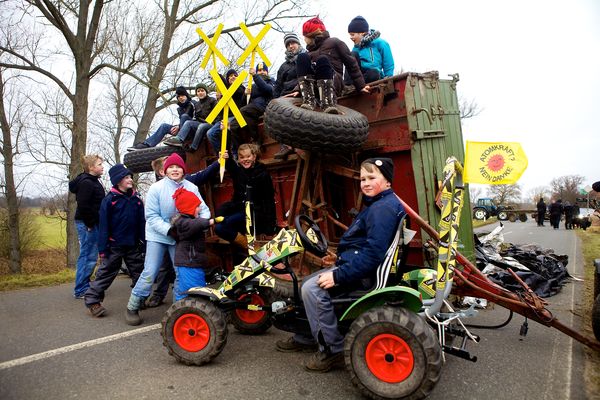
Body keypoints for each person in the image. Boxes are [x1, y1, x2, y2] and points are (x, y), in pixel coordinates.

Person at [275, 157, 405, 372]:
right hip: (361, 267)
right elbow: (363, 245)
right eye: (363, 178)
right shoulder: (379, 204)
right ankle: (307, 335)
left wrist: (337, 275)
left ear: (388, 181)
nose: (365, 183)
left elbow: (373, 254)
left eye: (372, 177)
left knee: (311, 288)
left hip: (367, 276)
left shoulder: (381, 209)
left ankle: (332, 350)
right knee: (305, 282)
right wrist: (338, 259)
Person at [125, 153, 210, 325]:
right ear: (164, 171)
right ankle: (133, 305)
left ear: (183, 169)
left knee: (179, 270)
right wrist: (169, 230)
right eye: (171, 167)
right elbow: (151, 216)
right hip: (158, 234)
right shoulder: (156, 188)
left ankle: (179, 308)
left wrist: (200, 224)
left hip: (181, 235)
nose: (175, 169)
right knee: (151, 270)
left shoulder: (191, 188)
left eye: (178, 166)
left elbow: (204, 210)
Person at [84, 164, 145, 317]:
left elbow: (141, 224)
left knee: (139, 272)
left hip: (133, 245)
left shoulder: (136, 200)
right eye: (126, 177)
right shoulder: (109, 201)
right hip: (114, 246)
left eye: (130, 177)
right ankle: (93, 301)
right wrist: (103, 249)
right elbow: (103, 227)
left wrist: (144, 243)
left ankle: (138, 299)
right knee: (106, 273)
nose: (130, 179)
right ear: (118, 181)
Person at [294, 16, 368, 114]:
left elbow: (351, 63)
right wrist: (298, 89)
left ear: (310, 35)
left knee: (322, 60)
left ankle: (328, 103)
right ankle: (308, 100)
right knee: (302, 57)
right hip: (315, 86)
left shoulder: (334, 43)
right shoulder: (309, 53)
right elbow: (304, 73)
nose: (304, 39)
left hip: (333, 82)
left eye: (304, 36)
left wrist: (361, 85)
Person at [215, 143, 277, 249]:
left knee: (221, 227)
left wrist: (270, 229)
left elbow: (269, 201)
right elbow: (227, 157)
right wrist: (225, 131)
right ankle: (248, 245)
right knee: (219, 222)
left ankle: (252, 247)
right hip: (242, 211)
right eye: (242, 157)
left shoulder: (263, 174)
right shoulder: (238, 172)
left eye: (248, 156)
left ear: (254, 156)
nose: (245, 159)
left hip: (256, 214)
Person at [69, 154, 106, 299]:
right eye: (99, 164)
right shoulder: (87, 183)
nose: (102, 166)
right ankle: (81, 289)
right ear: (91, 167)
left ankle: (84, 284)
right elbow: (83, 205)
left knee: (90, 255)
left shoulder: (91, 180)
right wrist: (90, 223)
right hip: (87, 224)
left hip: (91, 223)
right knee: (88, 256)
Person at [170, 187, 216, 300]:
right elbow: (197, 224)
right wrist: (212, 221)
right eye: (197, 206)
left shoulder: (186, 221)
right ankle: (183, 312)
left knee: (190, 289)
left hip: (192, 262)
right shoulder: (183, 223)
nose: (200, 209)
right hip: (189, 264)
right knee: (194, 291)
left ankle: (181, 310)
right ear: (188, 208)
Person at [272, 32, 307, 160]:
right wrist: (274, 100)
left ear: (298, 43)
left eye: (293, 43)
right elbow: (278, 85)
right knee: (275, 113)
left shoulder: (305, 57)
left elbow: (307, 76)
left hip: (300, 92)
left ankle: (300, 144)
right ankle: (286, 145)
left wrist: (299, 89)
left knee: (297, 113)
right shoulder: (283, 66)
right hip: (285, 95)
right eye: (288, 45)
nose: (291, 46)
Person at [127, 86, 195, 151]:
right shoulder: (180, 109)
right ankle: (147, 144)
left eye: (182, 95)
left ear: (186, 95)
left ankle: (180, 140)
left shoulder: (193, 103)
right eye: (179, 96)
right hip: (182, 130)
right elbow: (182, 122)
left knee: (184, 116)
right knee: (164, 126)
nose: (181, 98)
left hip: (192, 130)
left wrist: (179, 126)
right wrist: (178, 126)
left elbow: (196, 118)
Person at [228, 63, 275, 155]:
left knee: (245, 111)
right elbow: (244, 104)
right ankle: (240, 151)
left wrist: (255, 76)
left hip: (264, 106)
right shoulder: (252, 86)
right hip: (252, 108)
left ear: (267, 72)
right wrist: (245, 95)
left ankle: (257, 140)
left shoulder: (270, 81)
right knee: (233, 125)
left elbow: (266, 89)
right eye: (259, 70)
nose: (261, 72)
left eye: (263, 70)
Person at [164, 83, 217, 152]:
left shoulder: (212, 100)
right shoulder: (197, 104)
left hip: (211, 124)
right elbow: (195, 117)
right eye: (198, 91)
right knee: (188, 122)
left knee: (202, 126)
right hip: (200, 123)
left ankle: (193, 147)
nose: (200, 93)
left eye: (202, 91)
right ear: (196, 94)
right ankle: (179, 139)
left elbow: (218, 113)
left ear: (206, 92)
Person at [206, 69, 247, 154]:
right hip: (225, 118)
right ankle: (221, 154)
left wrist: (218, 76)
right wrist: (219, 99)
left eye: (235, 75)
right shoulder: (225, 93)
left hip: (236, 117)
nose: (233, 77)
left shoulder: (241, 89)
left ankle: (236, 153)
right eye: (230, 76)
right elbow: (220, 111)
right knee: (210, 133)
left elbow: (234, 91)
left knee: (230, 131)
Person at [347, 16, 394, 83]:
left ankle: (358, 83)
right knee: (351, 55)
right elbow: (352, 66)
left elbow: (388, 63)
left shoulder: (380, 43)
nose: (350, 37)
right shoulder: (356, 48)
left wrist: (389, 79)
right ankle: (348, 85)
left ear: (362, 33)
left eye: (352, 34)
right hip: (360, 76)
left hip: (374, 74)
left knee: (374, 73)